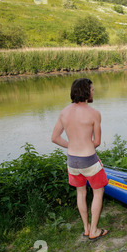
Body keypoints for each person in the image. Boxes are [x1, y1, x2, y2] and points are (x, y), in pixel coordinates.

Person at [51, 78, 109, 241]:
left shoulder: (64, 112)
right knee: (98, 192)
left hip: (72, 161)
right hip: (89, 160)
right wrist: (85, 146)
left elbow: (55, 138)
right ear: (85, 91)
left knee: (80, 192)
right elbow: (96, 142)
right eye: (91, 89)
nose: (93, 92)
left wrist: (72, 145)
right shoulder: (94, 113)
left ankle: (85, 228)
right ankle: (94, 230)